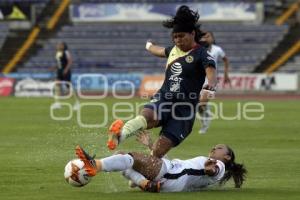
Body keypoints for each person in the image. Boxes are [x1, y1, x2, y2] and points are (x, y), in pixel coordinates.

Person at [106, 5, 217, 158]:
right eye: (175, 37)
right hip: (165, 98)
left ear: (192, 33)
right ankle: (120, 136)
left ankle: (144, 175)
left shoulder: (202, 54)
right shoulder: (172, 50)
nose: (177, 40)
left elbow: (211, 73)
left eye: (181, 36)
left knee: (157, 152)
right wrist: (148, 45)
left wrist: (209, 88)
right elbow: (158, 51)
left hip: (184, 109)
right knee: (147, 115)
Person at [75, 141, 247, 193]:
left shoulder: (219, 165)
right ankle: (143, 183)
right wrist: (151, 146)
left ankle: (95, 166)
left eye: (219, 148)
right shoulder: (209, 162)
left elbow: (215, 171)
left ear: (227, 157)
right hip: (171, 176)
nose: (214, 147)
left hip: (171, 174)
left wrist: (211, 169)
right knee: (121, 156)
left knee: (130, 158)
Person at [198, 31, 231, 134]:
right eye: (204, 37)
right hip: (199, 80)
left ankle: (205, 123)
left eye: (208, 36)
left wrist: (226, 74)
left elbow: (225, 60)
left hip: (211, 80)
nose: (206, 38)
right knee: (200, 106)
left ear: (212, 38)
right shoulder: (199, 49)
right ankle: (205, 118)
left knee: (202, 102)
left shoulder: (217, 49)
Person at [51, 42, 79, 110]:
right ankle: (57, 103)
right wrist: (54, 67)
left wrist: (66, 69)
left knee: (68, 88)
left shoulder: (66, 52)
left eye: (60, 45)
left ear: (63, 46)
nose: (58, 46)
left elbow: (70, 61)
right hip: (59, 71)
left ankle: (76, 103)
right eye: (58, 45)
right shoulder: (58, 53)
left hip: (65, 71)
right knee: (57, 85)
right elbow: (59, 62)